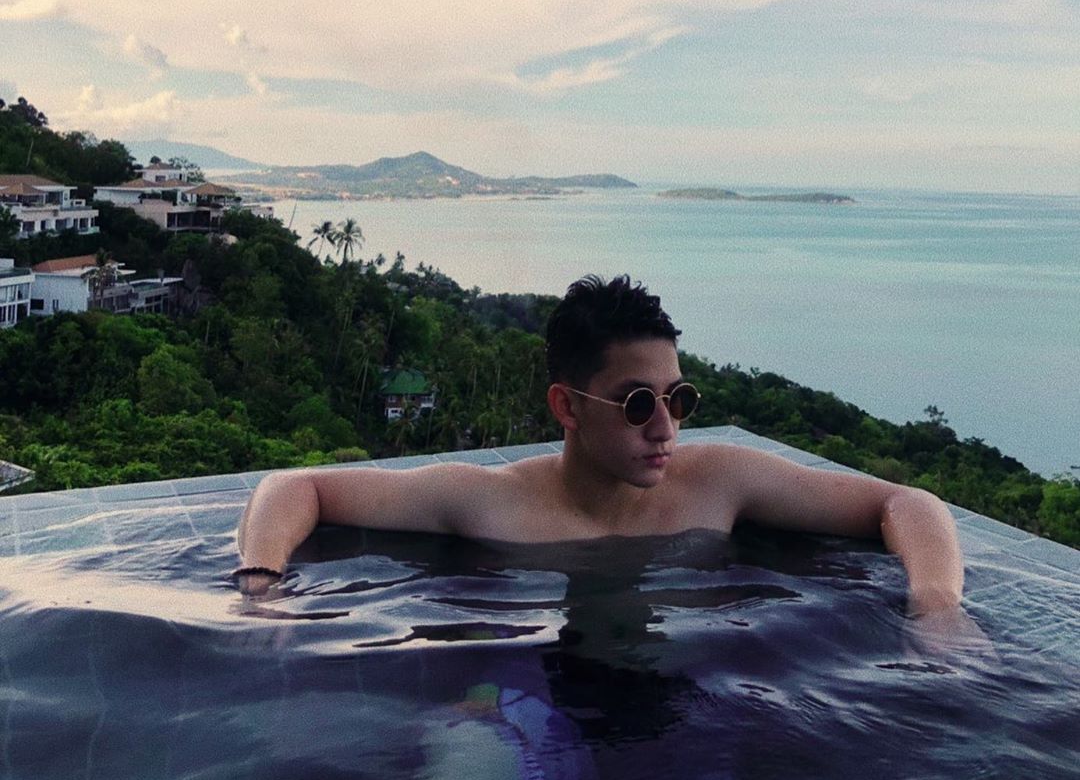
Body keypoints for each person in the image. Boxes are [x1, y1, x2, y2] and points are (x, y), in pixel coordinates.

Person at [235, 274, 968, 631]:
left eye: (678, 399)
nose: (665, 429)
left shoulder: (721, 482)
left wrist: (937, 603)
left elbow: (906, 502)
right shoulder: (487, 502)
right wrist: (262, 587)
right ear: (568, 407)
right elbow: (297, 487)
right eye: (638, 403)